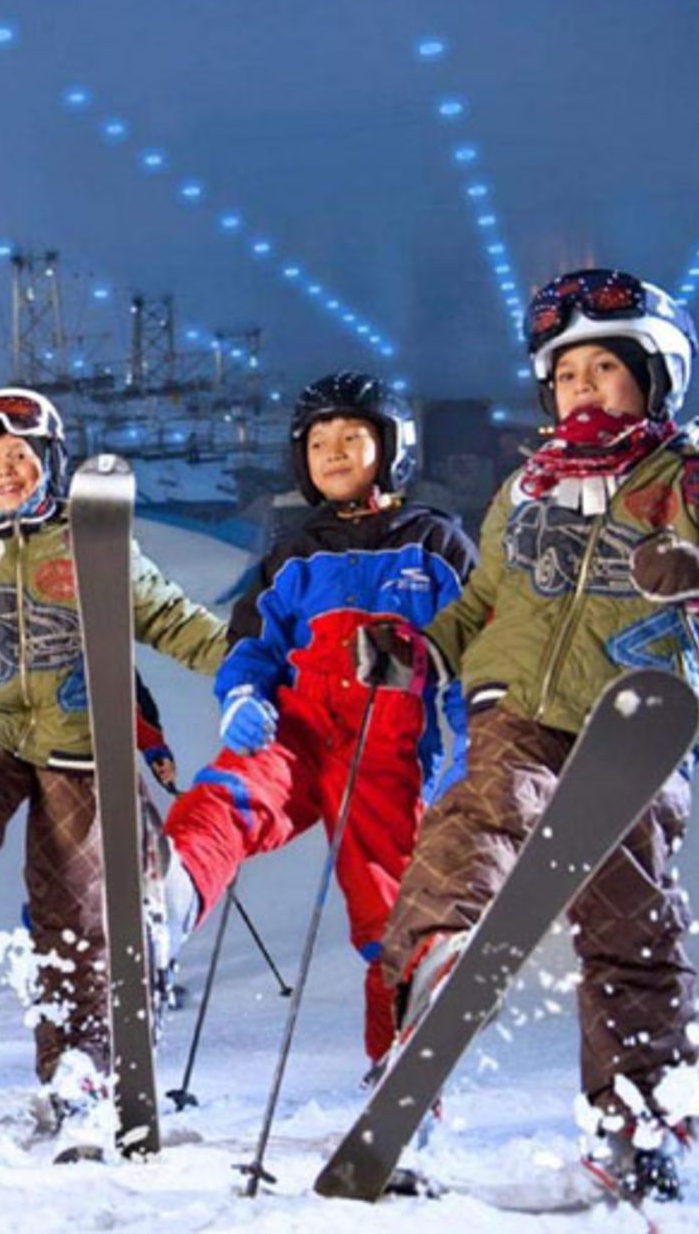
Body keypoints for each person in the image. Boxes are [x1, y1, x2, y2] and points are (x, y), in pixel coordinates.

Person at [366, 268, 699, 1203]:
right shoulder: (527, 487)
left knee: (630, 916)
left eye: (605, 368)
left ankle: (639, 1119)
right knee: (478, 817)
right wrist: (419, 648)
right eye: (566, 374)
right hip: (518, 708)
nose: (582, 388)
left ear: (657, 377)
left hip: (636, 723)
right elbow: (483, 601)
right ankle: (439, 969)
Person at [0, 386, 231, 1148]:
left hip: (82, 739)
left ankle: (81, 1058)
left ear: (50, 462)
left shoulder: (92, 543)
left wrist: (244, 661)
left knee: (74, 900)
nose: (5, 471)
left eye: (20, 456)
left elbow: (172, 618)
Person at [156, 372, 475, 1065]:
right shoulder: (295, 552)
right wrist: (243, 697)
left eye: (351, 437)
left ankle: (399, 1059)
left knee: (390, 911)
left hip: (386, 752)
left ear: (391, 447)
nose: (333, 452)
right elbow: (253, 645)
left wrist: (471, 742)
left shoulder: (435, 545)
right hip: (297, 730)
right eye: (318, 442)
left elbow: (474, 653)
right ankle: (169, 896)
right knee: (229, 792)